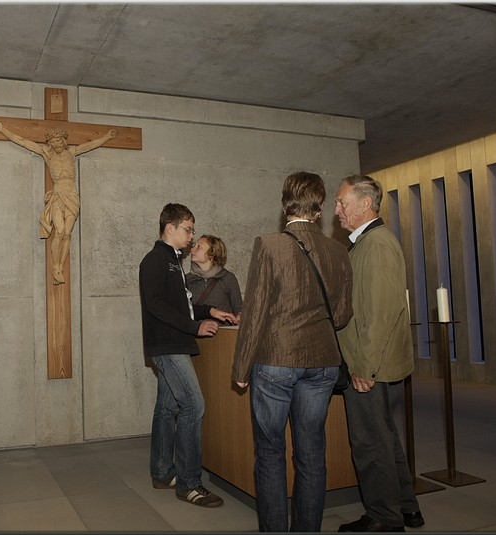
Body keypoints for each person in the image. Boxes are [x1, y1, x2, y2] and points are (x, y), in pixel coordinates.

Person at [231, 172, 353, 532]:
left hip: (277, 360)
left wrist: (241, 367)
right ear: (320, 206)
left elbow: (255, 311)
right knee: (311, 453)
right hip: (323, 363)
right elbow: (342, 315)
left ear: (285, 203)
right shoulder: (338, 250)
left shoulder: (269, 245)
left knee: (270, 452)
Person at [333, 174, 424, 532]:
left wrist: (364, 367)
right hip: (374, 363)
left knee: (370, 442)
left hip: (371, 364)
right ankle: (406, 508)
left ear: (366, 204)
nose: (337, 210)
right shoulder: (366, 243)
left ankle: (384, 518)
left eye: (342, 202)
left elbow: (381, 313)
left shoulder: (377, 245)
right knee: (384, 436)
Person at [138, 202, 238, 508]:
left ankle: (162, 472)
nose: (192, 235)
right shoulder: (155, 260)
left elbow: (182, 304)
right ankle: (189, 484)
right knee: (194, 405)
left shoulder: (172, 260)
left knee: (167, 408)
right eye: (188, 229)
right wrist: (195, 326)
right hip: (168, 345)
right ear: (170, 228)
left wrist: (210, 311)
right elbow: (156, 305)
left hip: (174, 343)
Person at [0, 121, 117, 285]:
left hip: (72, 195)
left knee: (68, 233)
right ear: (50, 144)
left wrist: (107, 137)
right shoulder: (47, 154)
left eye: (59, 141)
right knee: (59, 230)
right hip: (57, 195)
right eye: (53, 142)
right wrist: (4, 130)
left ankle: (60, 266)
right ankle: (55, 266)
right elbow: (23, 142)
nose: (57, 144)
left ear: (64, 141)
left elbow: (91, 145)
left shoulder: (72, 152)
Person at [186, 234, 243, 318]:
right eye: (194, 246)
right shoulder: (186, 279)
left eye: (199, 247)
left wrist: (239, 317)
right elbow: (182, 311)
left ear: (212, 253)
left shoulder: (227, 278)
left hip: (221, 327)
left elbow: (239, 309)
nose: (192, 249)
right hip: (196, 327)